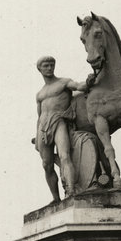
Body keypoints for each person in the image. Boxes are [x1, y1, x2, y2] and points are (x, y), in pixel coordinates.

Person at [35, 55, 88, 201]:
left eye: (51, 65)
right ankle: (55, 198)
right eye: (46, 65)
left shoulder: (63, 82)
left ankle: (71, 191)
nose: (49, 68)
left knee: (65, 156)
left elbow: (78, 86)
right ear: (39, 69)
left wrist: (89, 81)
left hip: (59, 122)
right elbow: (39, 117)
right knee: (47, 164)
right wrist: (37, 136)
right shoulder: (39, 94)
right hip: (43, 127)